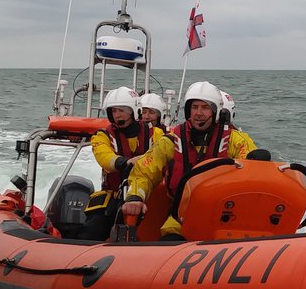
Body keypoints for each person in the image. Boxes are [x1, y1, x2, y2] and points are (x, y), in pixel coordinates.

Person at [122, 80, 257, 239]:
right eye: (194, 107)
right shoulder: (171, 141)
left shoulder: (236, 140)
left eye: (205, 107)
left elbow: (253, 169)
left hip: (224, 219)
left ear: (217, 112)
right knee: (169, 241)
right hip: (181, 219)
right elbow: (143, 172)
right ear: (188, 110)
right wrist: (135, 197)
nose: (198, 113)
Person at [81, 86, 153, 239]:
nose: (118, 115)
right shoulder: (102, 136)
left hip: (147, 194)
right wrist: (125, 162)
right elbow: (104, 157)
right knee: (92, 230)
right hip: (114, 195)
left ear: (134, 110)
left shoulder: (156, 134)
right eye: (114, 111)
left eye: (122, 110)